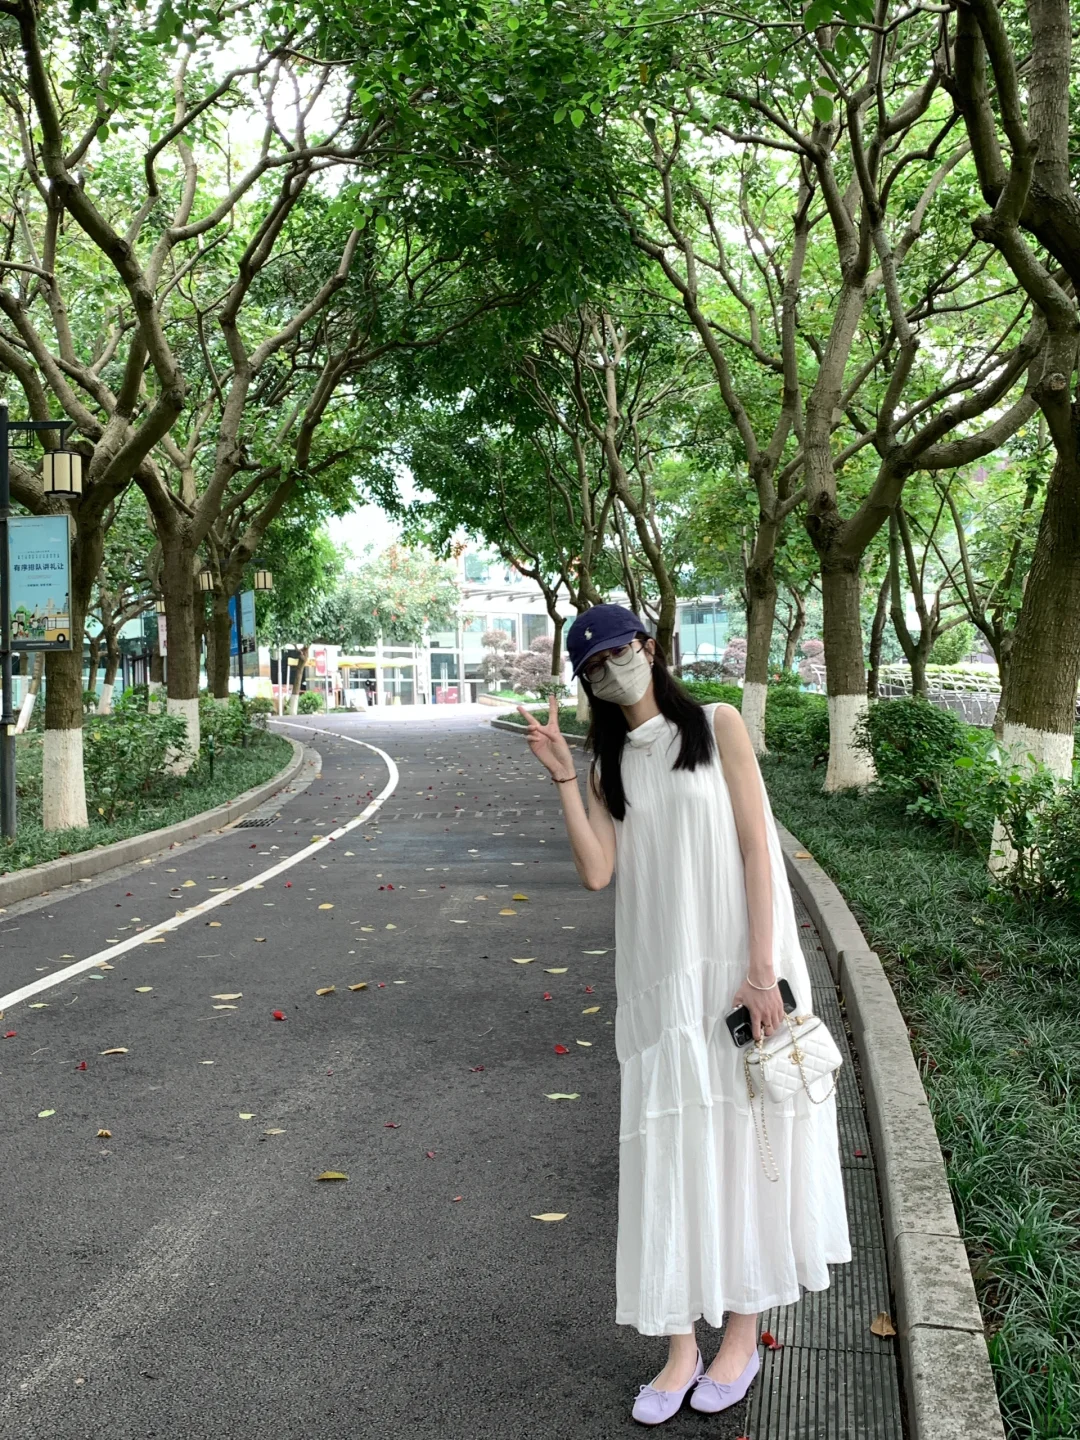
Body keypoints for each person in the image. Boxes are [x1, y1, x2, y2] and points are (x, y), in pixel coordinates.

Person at [516, 604, 851, 1425]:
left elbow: (757, 848)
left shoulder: (717, 725)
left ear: (649, 646)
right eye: (594, 668)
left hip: (738, 975)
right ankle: (678, 1348)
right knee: (669, 1155)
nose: (612, 671)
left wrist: (763, 971)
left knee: (743, 1148)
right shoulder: (610, 768)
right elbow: (598, 873)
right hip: (661, 988)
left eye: (619, 652)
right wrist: (563, 776)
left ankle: (740, 1334)